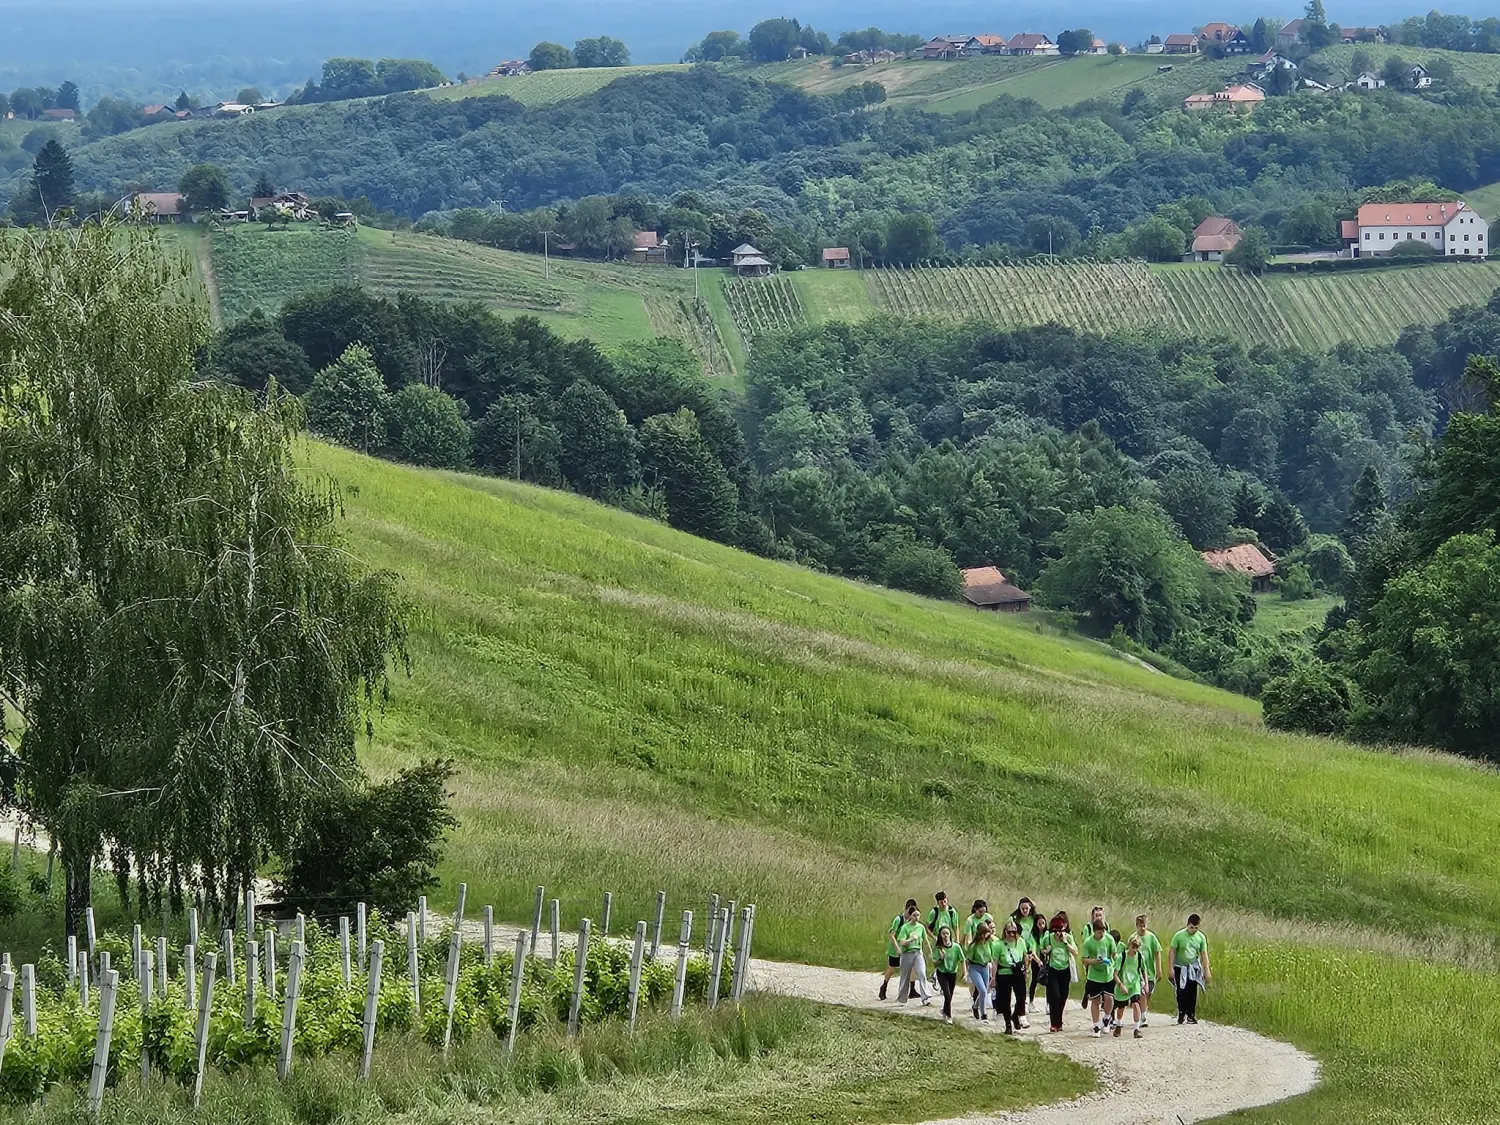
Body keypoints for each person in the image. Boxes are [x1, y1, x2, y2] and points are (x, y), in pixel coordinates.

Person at [1170, 913, 1212, 1024]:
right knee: (1181, 991)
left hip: (1193, 967)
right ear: (1187, 925)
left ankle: (1191, 1014)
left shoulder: (1201, 937)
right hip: (1180, 966)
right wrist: (1170, 968)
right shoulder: (1179, 936)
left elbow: (1204, 954)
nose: (1193, 930)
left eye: (1196, 928)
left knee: (1192, 991)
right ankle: (1181, 1012)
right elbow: (1172, 951)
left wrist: (1206, 970)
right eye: (1191, 927)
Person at [1038, 912, 1076, 1032]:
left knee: (1063, 996)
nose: (1059, 934)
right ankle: (1053, 1023)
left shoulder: (1068, 937)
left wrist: (1065, 943)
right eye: (1057, 931)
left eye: (1061, 931)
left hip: (1065, 970)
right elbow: (1041, 949)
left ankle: (1059, 1021)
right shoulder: (1048, 937)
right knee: (1054, 996)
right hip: (1053, 969)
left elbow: (1075, 952)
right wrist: (1046, 951)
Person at [1081, 917, 1117, 1037]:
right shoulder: (1088, 942)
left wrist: (1114, 960)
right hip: (1094, 975)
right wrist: (1095, 961)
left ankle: (1107, 1017)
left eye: (1103, 931)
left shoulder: (1109, 939)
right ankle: (1096, 1025)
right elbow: (1084, 960)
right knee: (1095, 1000)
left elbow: (1114, 953)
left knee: (1109, 997)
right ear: (1094, 931)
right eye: (1099, 932)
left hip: (1107, 974)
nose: (1102, 934)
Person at [994, 920, 1031, 1033]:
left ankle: (1015, 1015)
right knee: (1005, 1000)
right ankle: (1008, 1024)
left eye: (1014, 932)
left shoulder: (1021, 942)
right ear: (1005, 932)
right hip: (1004, 973)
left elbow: (1025, 956)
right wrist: (993, 977)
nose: (1012, 935)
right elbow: (995, 962)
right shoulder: (999, 944)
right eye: (1009, 932)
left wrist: (1026, 970)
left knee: (1021, 997)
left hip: (1018, 973)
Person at [1111, 933, 1149, 1038]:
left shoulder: (1140, 957)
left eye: (1137, 947)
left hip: (1134, 984)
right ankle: (1119, 1024)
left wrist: (1146, 983)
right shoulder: (1122, 957)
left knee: (1136, 1004)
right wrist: (1120, 985)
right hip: (1123, 984)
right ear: (1129, 945)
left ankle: (1136, 1029)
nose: (1135, 949)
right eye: (1133, 946)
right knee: (1121, 1008)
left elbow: (1144, 970)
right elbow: (1115, 974)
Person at [895, 904, 934, 1006]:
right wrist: (910, 940)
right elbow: (902, 942)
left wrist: (930, 952)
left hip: (918, 952)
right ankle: (902, 998)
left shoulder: (921, 927)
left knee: (921, 973)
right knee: (905, 976)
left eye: (918, 915)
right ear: (910, 916)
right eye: (914, 915)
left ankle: (926, 997)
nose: (916, 917)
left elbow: (925, 940)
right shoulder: (905, 927)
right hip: (907, 953)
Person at [880, 898, 918, 1000]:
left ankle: (912, 989)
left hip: (906, 949)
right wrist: (897, 948)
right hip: (895, 950)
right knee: (892, 969)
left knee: (912, 967)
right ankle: (884, 987)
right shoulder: (898, 920)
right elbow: (892, 935)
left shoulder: (911, 921)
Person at [1011, 898, 1044, 1013]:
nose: (1024, 910)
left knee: (1033, 976)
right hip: (1019, 949)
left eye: (1026, 908)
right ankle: (1021, 999)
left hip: (1032, 948)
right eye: (1022, 908)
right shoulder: (1015, 918)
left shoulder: (1034, 918)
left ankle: (1031, 1001)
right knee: (1021, 974)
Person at [965, 919, 1000, 1022]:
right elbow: (968, 960)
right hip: (974, 967)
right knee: (982, 990)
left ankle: (975, 1006)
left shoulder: (989, 943)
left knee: (984, 991)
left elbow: (993, 954)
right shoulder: (974, 946)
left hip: (985, 967)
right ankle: (983, 1014)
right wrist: (967, 972)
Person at [1132, 914, 1162, 1027]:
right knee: (1143, 992)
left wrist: (1159, 969)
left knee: (1148, 992)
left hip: (1150, 970)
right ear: (1137, 926)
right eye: (1140, 926)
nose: (1143, 928)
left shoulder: (1151, 937)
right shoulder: (1133, 938)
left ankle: (1143, 1010)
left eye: (1144, 926)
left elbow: (1157, 952)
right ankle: (1143, 1016)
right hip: (1138, 971)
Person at [960, 899, 993, 1001]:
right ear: (975, 910)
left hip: (985, 947)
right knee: (973, 979)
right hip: (974, 947)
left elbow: (991, 930)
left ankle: (982, 997)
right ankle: (973, 995)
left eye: (984, 911)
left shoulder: (988, 917)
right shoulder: (970, 920)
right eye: (980, 912)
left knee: (987, 973)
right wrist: (971, 948)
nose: (982, 914)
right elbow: (968, 937)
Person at [932, 925, 963, 1023]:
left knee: (950, 995)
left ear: (950, 935)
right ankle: (949, 1016)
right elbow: (935, 964)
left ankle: (944, 1011)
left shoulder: (956, 947)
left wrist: (964, 973)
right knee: (947, 994)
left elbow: (962, 960)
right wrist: (941, 958)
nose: (945, 936)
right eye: (943, 934)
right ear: (940, 936)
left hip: (952, 973)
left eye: (947, 933)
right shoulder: (938, 948)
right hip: (942, 973)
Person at [928, 892, 960, 983]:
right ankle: (936, 974)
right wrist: (933, 937)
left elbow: (955, 926)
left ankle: (941, 976)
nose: (944, 904)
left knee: (949, 958)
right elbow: (927, 927)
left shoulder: (952, 911)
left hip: (948, 938)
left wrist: (957, 939)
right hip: (938, 939)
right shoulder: (934, 912)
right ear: (937, 902)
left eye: (945, 901)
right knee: (939, 958)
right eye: (941, 902)